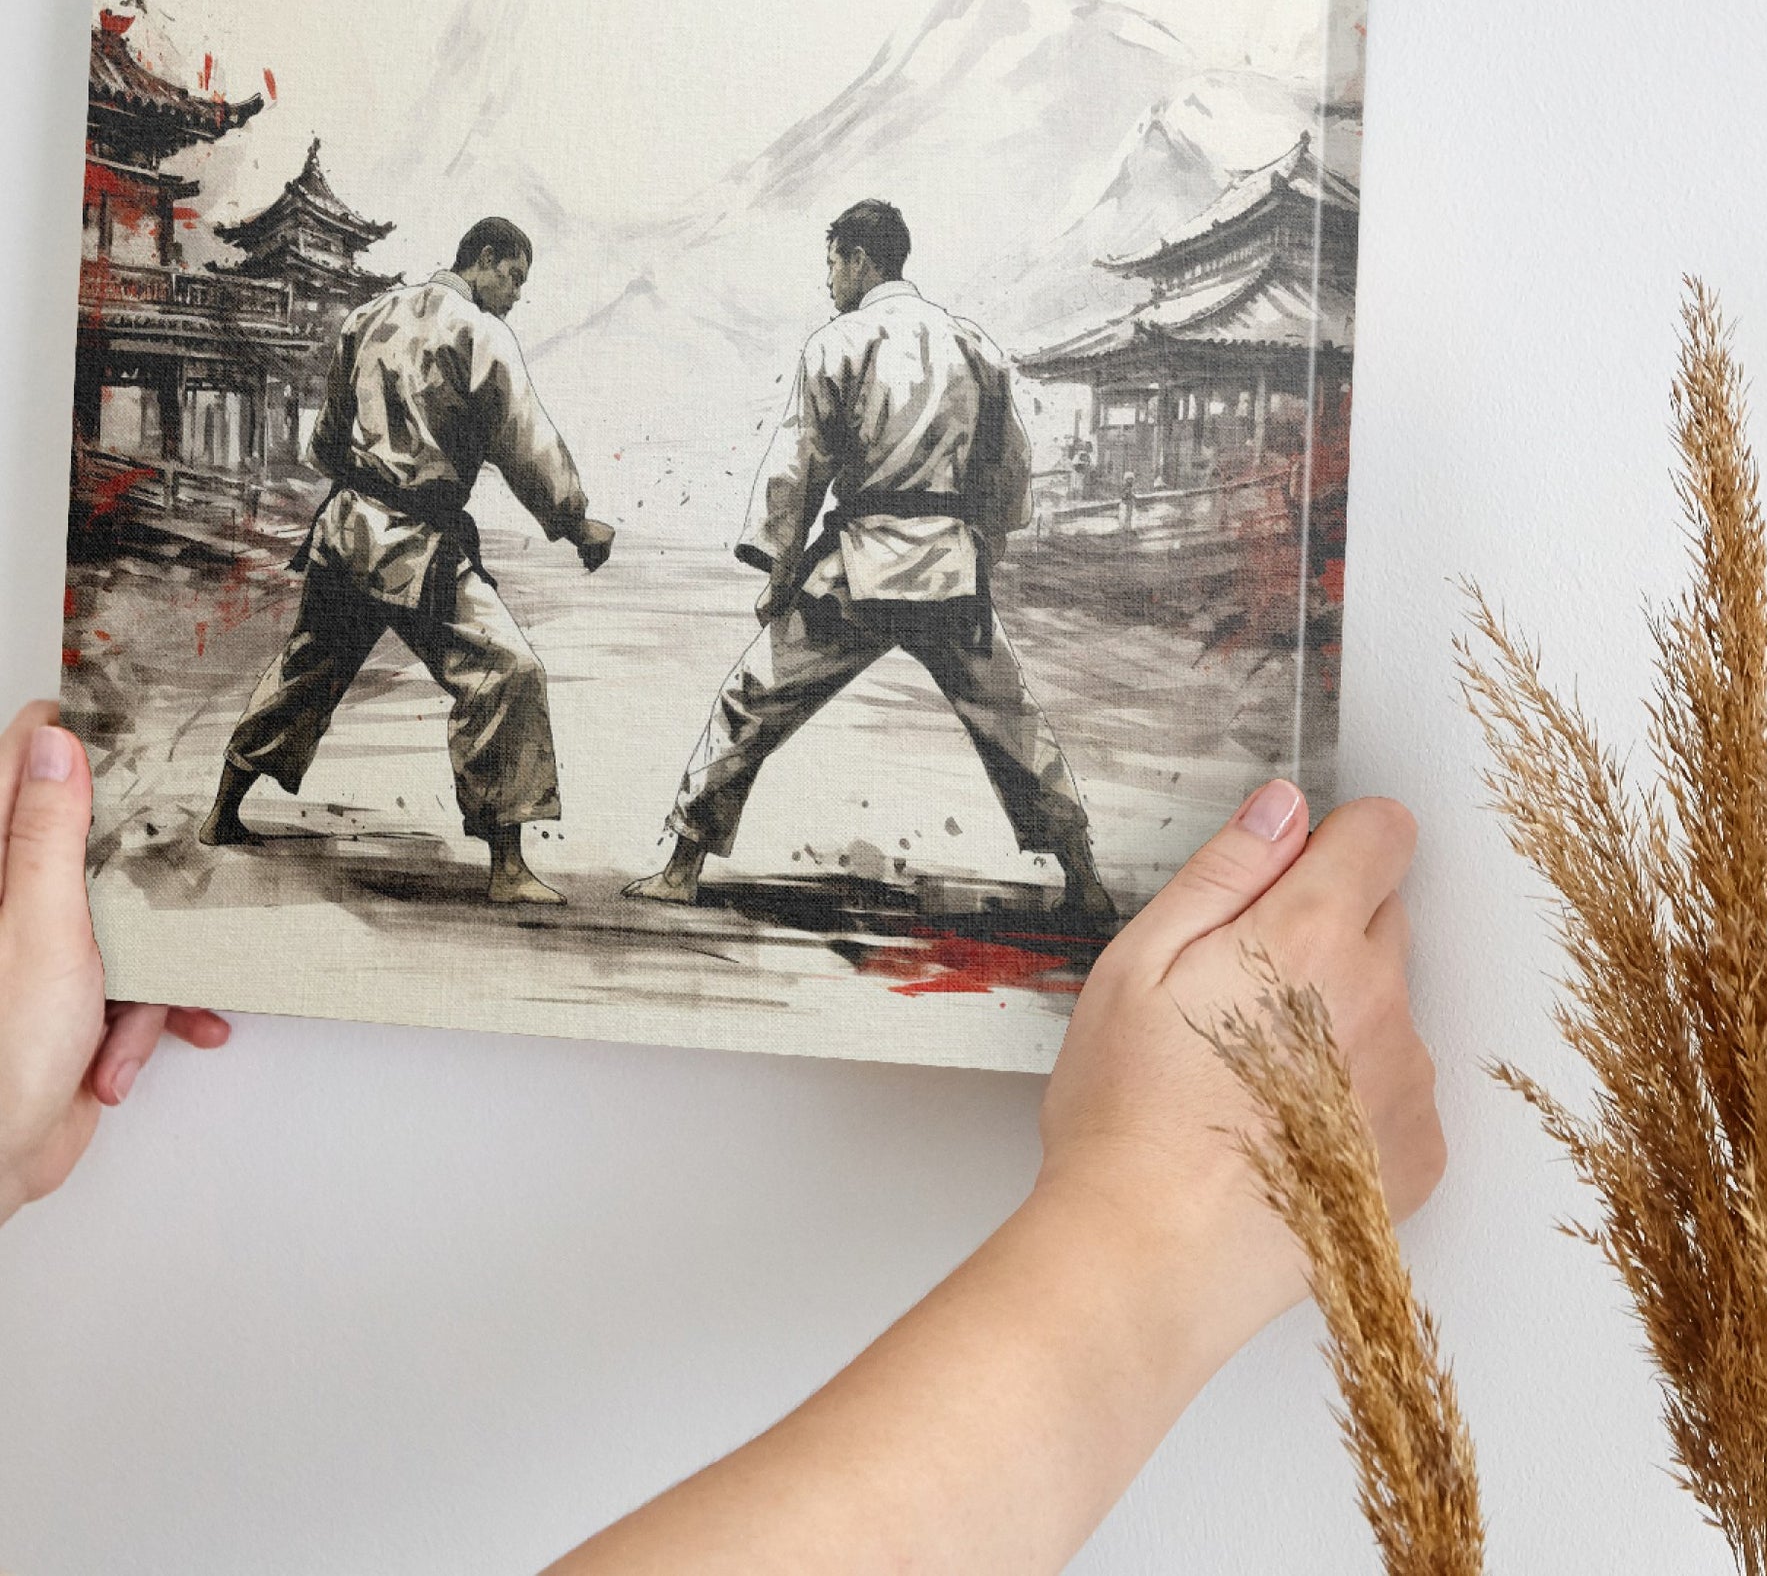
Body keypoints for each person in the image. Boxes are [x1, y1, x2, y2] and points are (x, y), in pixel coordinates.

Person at [2, 693, 1442, 1572]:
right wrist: (1156, 1220)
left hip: (840, 550)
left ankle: (672, 842)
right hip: (908, 555)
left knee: (756, 699)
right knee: (977, 707)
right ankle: (1053, 850)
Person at [625, 199, 1115, 921]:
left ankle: (681, 865)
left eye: (831, 263)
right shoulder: (973, 344)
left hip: (856, 570)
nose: (828, 280)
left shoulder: (836, 344)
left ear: (859, 258)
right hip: (949, 571)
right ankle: (1085, 880)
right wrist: (983, 545)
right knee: (1013, 725)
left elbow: (800, 471)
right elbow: (1008, 469)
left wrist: (780, 575)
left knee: (752, 704)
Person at [198, 218, 617, 905]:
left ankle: (221, 813)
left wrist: (367, 477)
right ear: (485, 260)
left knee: (306, 670)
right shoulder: (478, 333)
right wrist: (576, 524)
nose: (515, 296)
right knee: (507, 672)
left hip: (345, 532)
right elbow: (527, 446)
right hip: (414, 546)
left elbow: (327, 440)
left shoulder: (368, 314)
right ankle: (508, 869)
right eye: (514, 278)